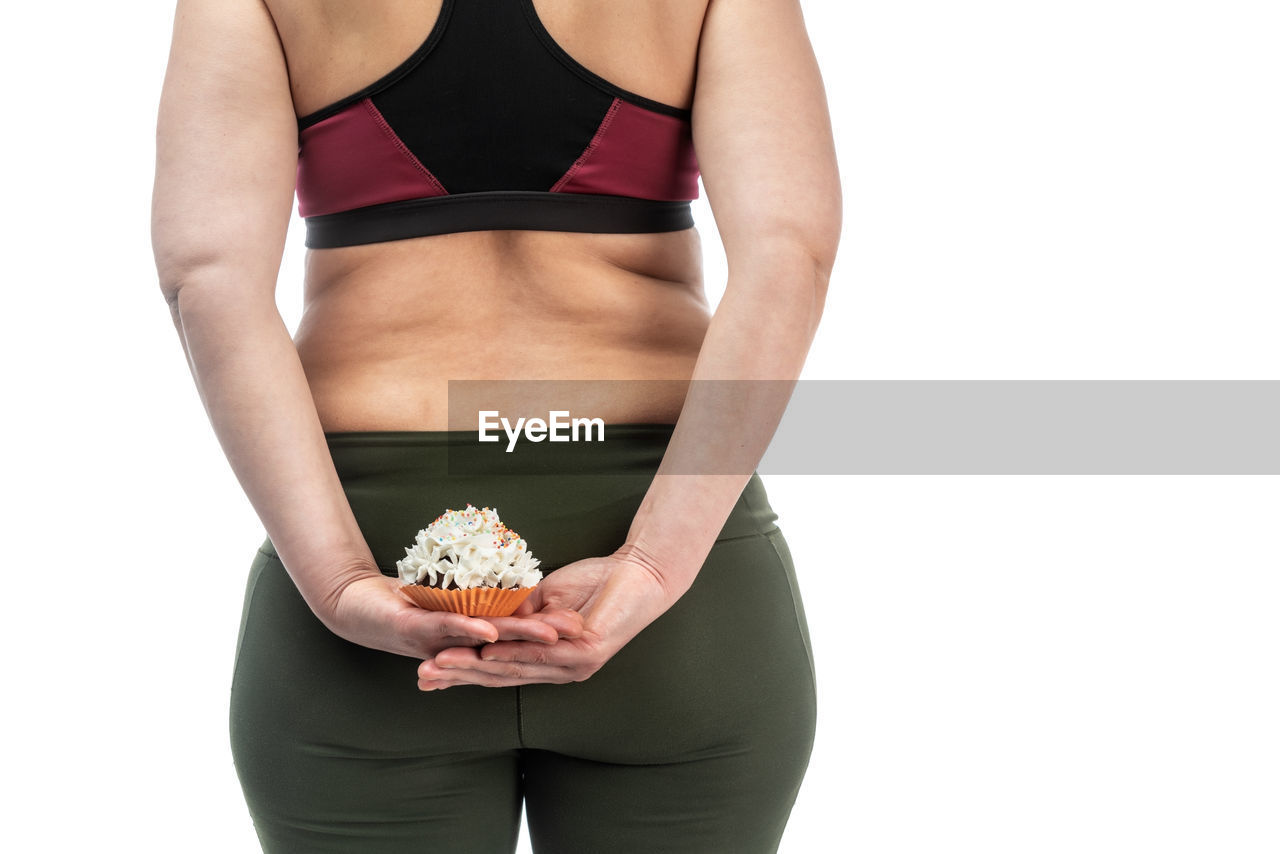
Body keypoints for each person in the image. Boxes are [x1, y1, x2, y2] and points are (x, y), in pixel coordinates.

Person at [151, 0, 841, 851]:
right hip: (672, 581)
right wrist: (656, 564)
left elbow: (207, 279)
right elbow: (788, 254)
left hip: (367, 558)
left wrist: (337, 585)